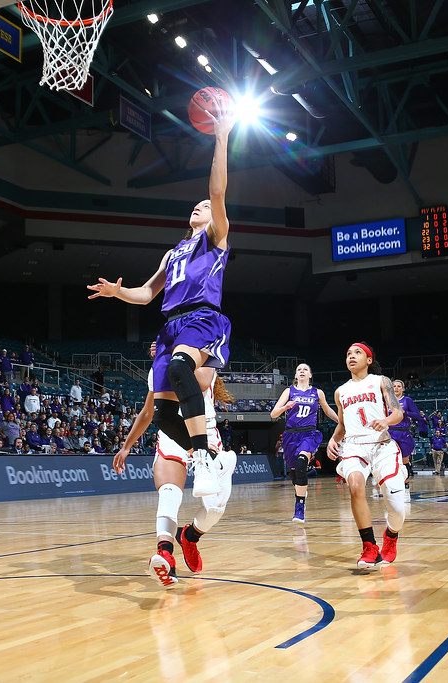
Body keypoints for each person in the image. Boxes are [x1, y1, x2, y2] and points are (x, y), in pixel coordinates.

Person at [87, 108, 237, 501]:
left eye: (203, 206)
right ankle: (208, 456)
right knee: (163, 408)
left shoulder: (216, 238)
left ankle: (204, 455)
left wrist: (220, 138)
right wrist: (118, 293)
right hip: (170, 325)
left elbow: (218, 192)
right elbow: (147, 293)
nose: (199, 206)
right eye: (197, 205)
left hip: (202, 318)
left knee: (179, 366)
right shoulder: (173, 253)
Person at [114, 340, 237, 588]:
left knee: (215, 509)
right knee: (169, 492)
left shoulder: (204, 354)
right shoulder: (158, 367)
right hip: (172, 432)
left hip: (205, 433)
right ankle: (165, 554)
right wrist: (127, 445)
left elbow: (199, 381)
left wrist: (171, 354)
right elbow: (149, 412)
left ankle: (189, 537)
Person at [326, 343, 405, 568]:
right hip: (354, 446)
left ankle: (391, 534)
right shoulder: (340, 391)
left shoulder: (381, 381)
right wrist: (334, 439)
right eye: (348, 353)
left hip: (381, 444)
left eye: (357, 352)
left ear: (369, 360)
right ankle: (370, 547)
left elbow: (398, 412)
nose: (351, 356)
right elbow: (342, 424)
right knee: (355, 485)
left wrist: (386, 421)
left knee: (397, 508)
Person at [269, 362, 339, 523]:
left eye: (305, 369)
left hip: (309, 433)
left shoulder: (317, 392)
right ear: (295, 375)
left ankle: (299, 508)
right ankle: (300, 490)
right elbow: (273, 414)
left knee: (301, 464)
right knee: (294, 472)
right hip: (290, 435)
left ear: (310, 375)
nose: (301, 371)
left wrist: (342, 422)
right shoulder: (289, 391)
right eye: (298, 369)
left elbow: (327, 411)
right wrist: (284, 407)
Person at [389, 379, 428, 494]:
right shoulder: (387, 401)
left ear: (403, 389)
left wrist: (405, 412)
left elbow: (417, 416)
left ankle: (405, 482)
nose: (396, 388)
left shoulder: (407, 400)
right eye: (394, 386)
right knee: (391, 460)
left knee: (404, 460)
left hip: (404, 432)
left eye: (398, 386)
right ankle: (393, 483)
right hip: (390, 433)